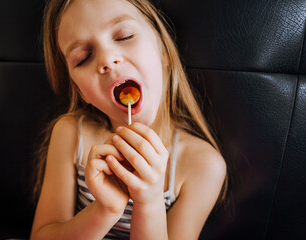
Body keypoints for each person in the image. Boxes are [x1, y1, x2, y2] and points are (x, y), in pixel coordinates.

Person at [30, 0, 227, 239]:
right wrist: (105, 211)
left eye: (125, 36)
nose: (107, 60)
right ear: (82, 92)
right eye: (83, 58)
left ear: (163, 50)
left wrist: (149, 201)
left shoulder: (204, 166)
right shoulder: (70, 134)